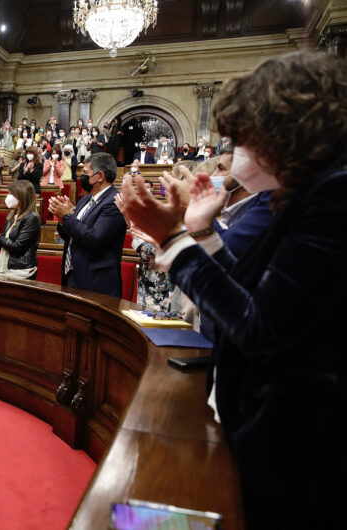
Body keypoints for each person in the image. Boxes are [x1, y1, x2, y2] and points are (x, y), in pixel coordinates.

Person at [117, 50, 347, 529]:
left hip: (299, 443)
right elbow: (252, 291)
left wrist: (172, 239)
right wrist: (200, 234)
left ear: (286, 127)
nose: (236, 147)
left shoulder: (334, 195)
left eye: (243, 134)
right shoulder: (304, 194)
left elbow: (262, 326)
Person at [48, 152, 126, 296]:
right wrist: (62, 219)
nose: (81, 177)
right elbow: (74, 236)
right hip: (73, 275)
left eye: (85, 172)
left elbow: (95, 239)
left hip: (96, 282)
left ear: (100, 176)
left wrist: (67, 216)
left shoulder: (113, 202)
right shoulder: (85, 200)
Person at [0, 179, 40, 280]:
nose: (7, 197)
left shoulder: (32, 218)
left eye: (10, 194)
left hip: (20, 271)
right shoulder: (12, 215)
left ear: (21, 196)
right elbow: (2, 245)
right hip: (3, 267)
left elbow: (17, 247)